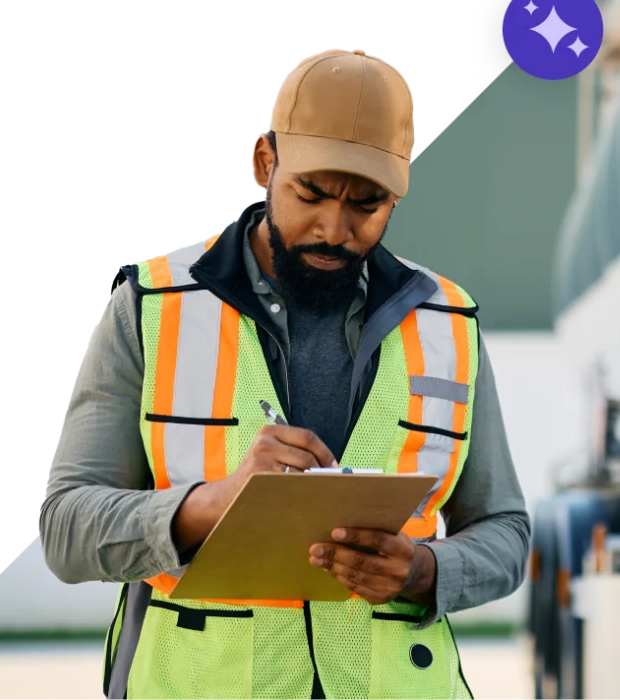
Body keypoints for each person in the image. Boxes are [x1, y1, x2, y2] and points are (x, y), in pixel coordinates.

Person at [40, 48, 530, 700]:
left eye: (368, 203)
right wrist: (210, 505)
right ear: (265, 162)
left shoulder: (447, 321)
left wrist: (424, 569)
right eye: (313, 192)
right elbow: (68, 528)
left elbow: (506, 533)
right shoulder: (151, 307)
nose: (335, 226)